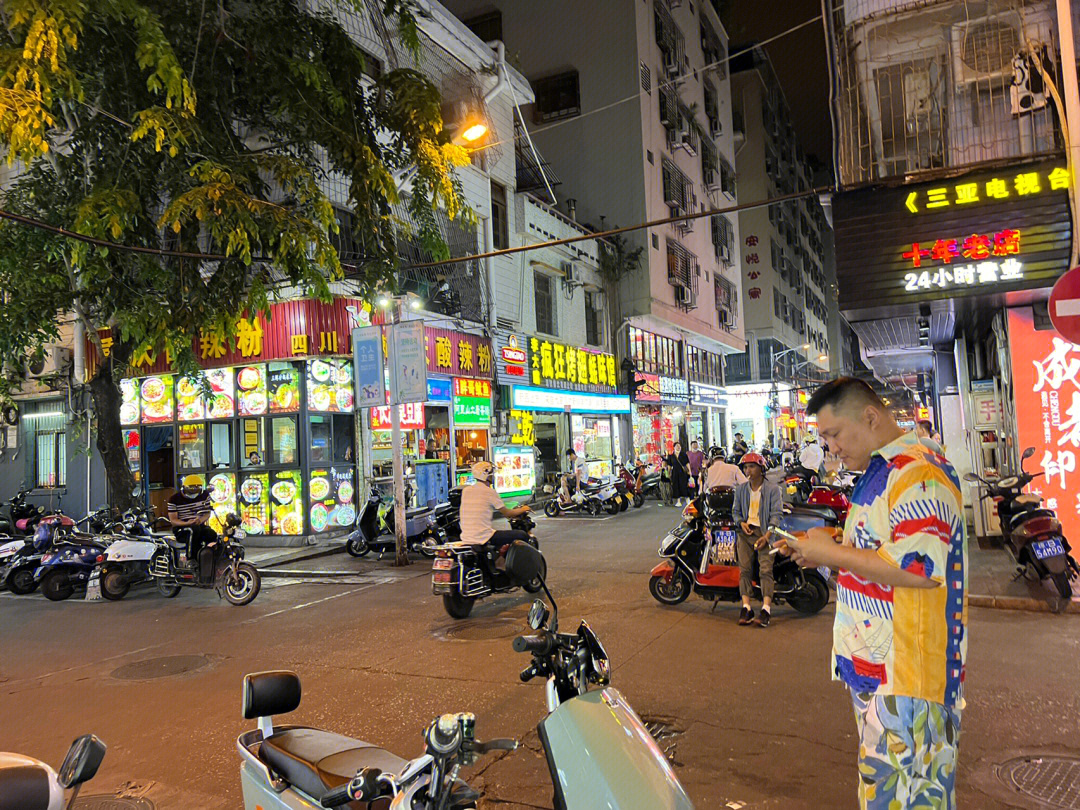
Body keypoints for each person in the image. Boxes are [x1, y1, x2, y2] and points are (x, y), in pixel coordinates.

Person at [777, 377, 966, 809]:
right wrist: (824, 547)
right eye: (824, 438)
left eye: (834, 434)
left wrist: (835, 553)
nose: (831, 447)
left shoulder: (918, 473)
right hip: (882, 671)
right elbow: (881, 549)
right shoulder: (881, 471)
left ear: (870, 415)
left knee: (906, 800)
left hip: (910, 679)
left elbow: (919, 570)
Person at [730, 453, 783, 627]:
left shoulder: (773, 489)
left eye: (751, 466)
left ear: (761, 468)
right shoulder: (741, 489)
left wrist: (767, 536)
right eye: (745, 467)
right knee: (744, 569)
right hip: (746, 533)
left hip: (765, 533)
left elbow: (776, 515)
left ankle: (766, 609)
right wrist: (741, 523)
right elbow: (736, 512)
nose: (748, 470)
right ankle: (746, 607)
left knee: (765, 570)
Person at [458, 461, 531, 568]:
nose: (493, 477)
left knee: (498, 535)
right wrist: (524, 508)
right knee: (522, 535)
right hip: (483, 537)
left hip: (466, 537)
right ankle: (508, 566)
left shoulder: (466, 491)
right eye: (492, 474)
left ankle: (497, 559)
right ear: (487, 475)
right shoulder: (489, 492)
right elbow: (507, 513)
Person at [168, 475, 216, 567]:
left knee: (211, 534)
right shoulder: (174, 499)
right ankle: (191, 559)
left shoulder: (204, 495)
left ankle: (209, 558)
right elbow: (173, 520)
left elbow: (207, 513)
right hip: (181, 528)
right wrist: (187, 523)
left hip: (198, 524)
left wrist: (200, 520)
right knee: (193, 530)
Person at [666, 441, 691, 506]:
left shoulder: (684, 454)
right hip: (675, 472)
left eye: (679, 446)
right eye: (677, 446)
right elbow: (669, 465)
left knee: (684, 485)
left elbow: (687, 463)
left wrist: (690, 471)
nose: (678, 447)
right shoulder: (671, 456)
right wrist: (668, 473)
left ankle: (687, 499)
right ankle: (678, 501)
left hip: (682, 472)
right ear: (674, 447)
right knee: (676, 486)